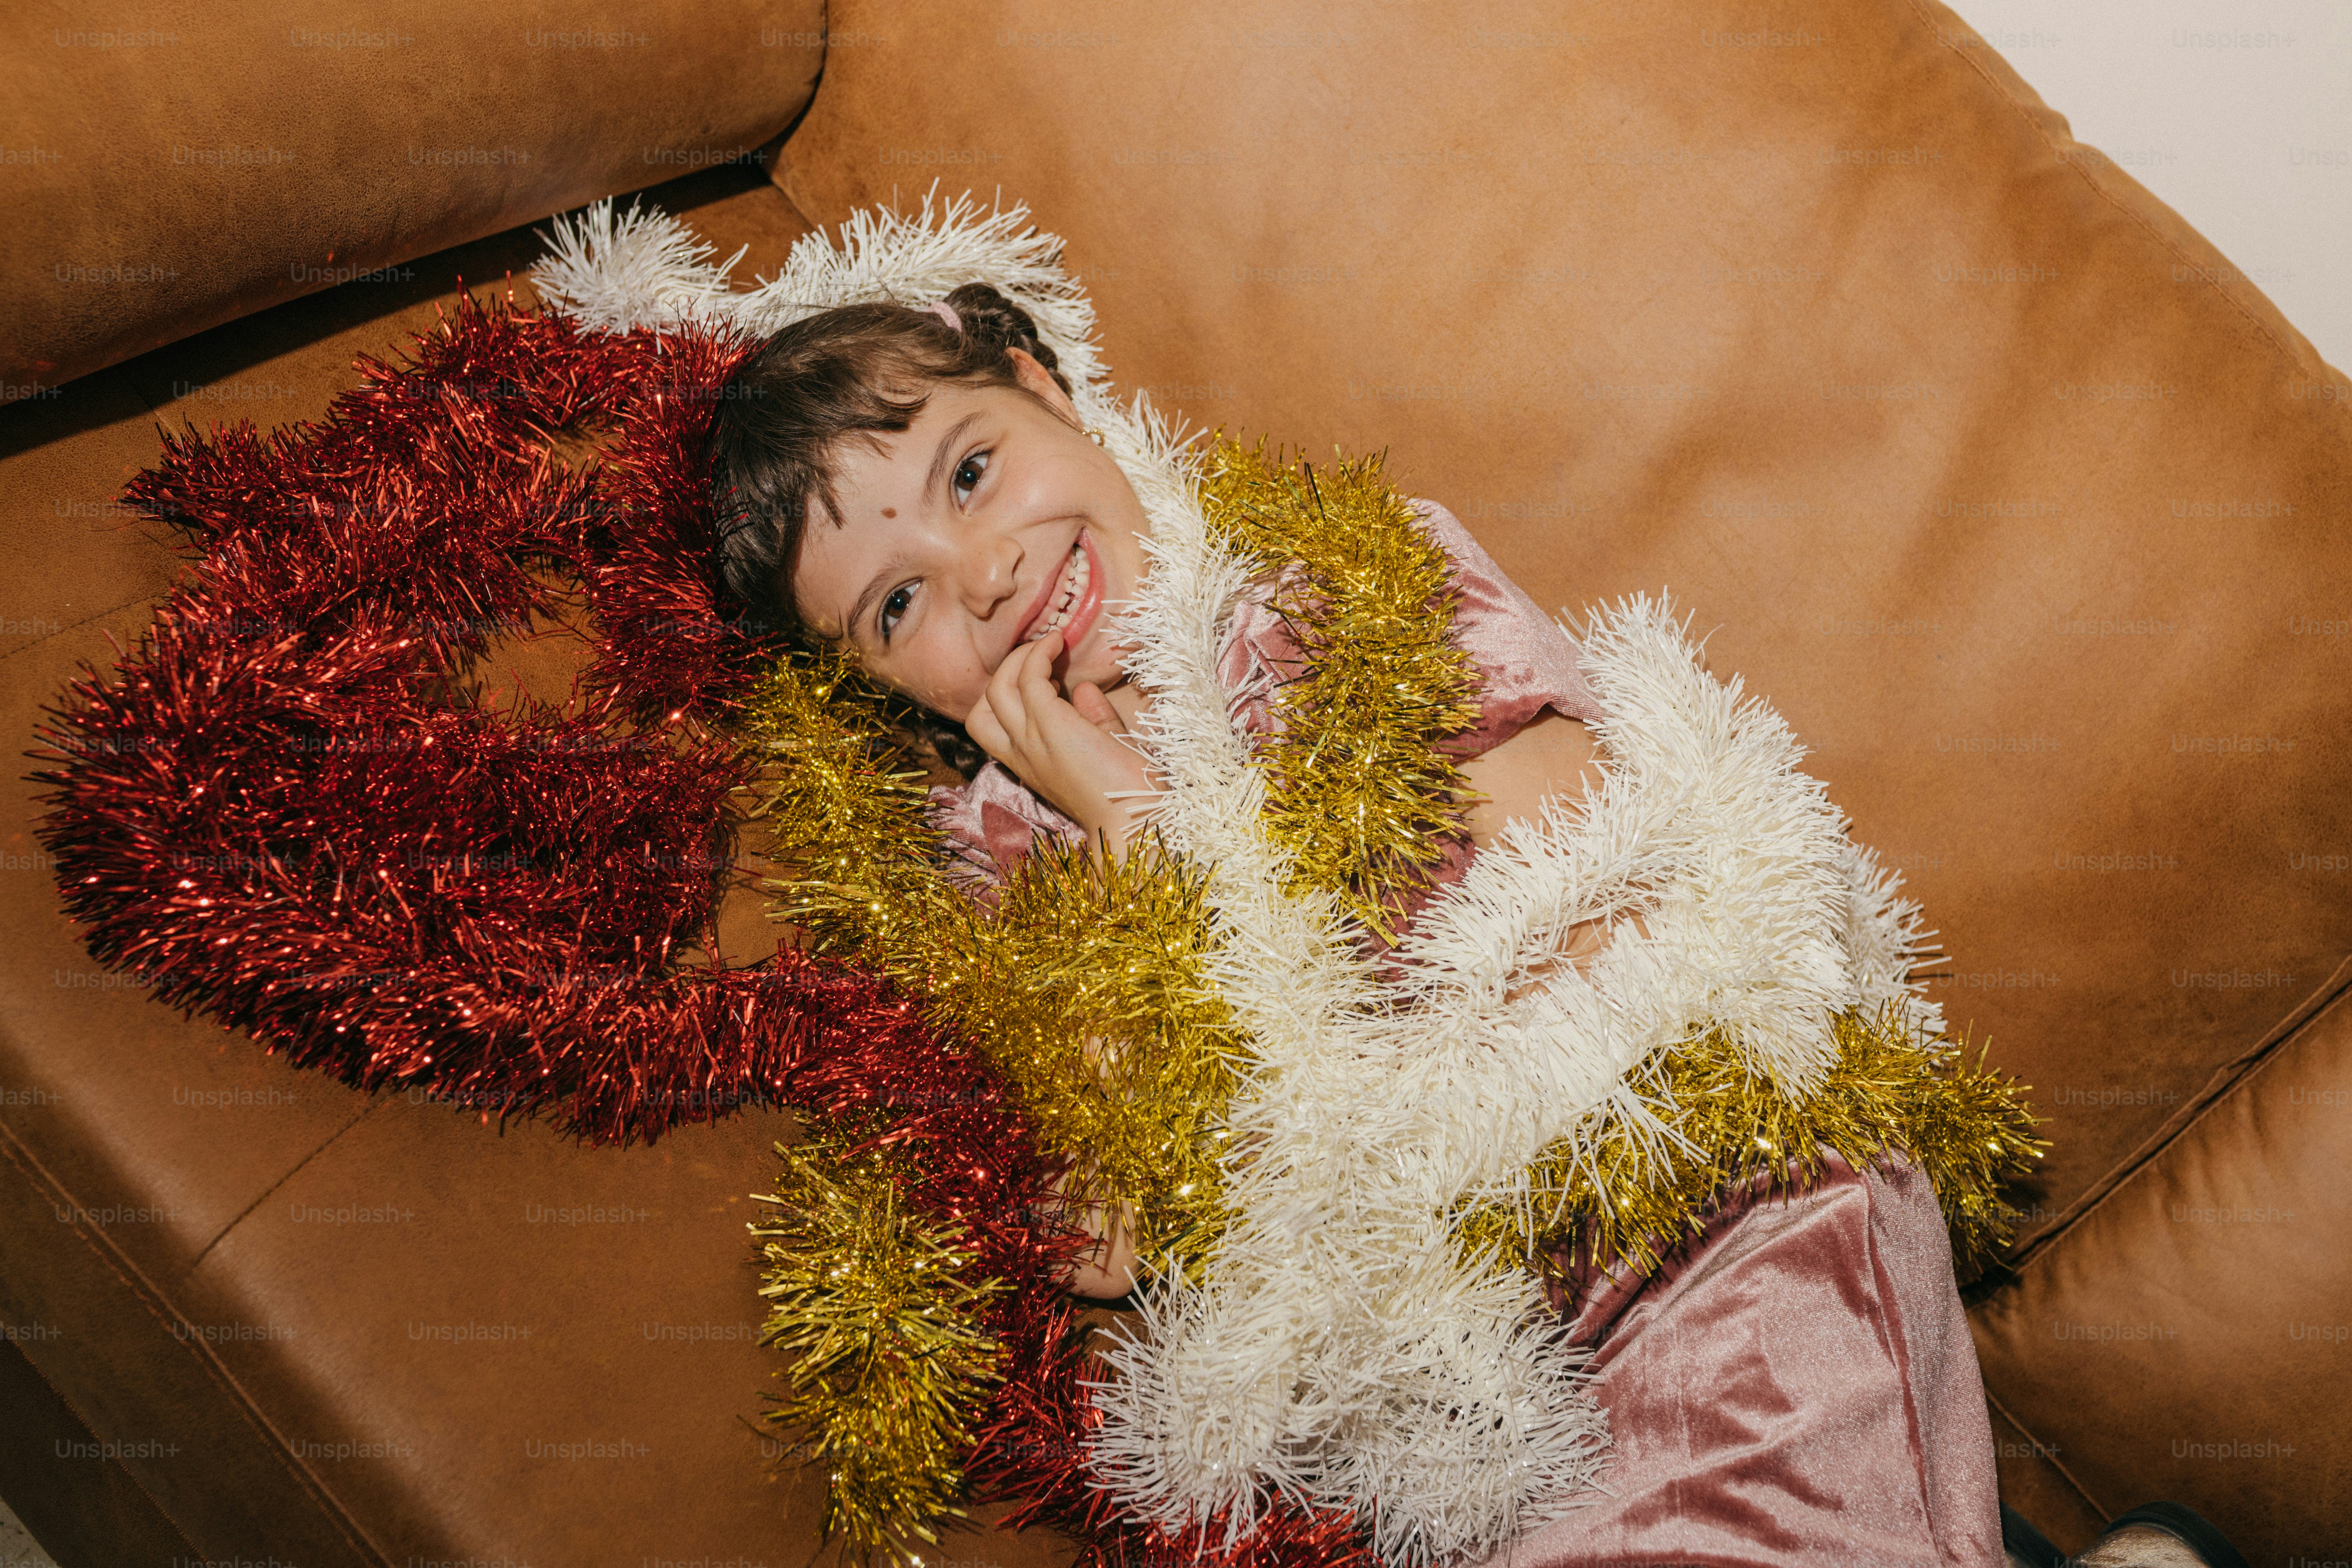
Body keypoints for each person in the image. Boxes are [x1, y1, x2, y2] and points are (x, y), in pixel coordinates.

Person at [707, 284, 2238, 1568]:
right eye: (894, 608)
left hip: (1702, 1201)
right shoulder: (996, 864)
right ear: (872, 681)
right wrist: (1119, 851)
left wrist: (1163, 881)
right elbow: (1125, 1223)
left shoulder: (1325, 583)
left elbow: (1580, 905)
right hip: (1454, 1413)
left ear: (1047, 388)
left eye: (971, 474)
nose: (980, 578)